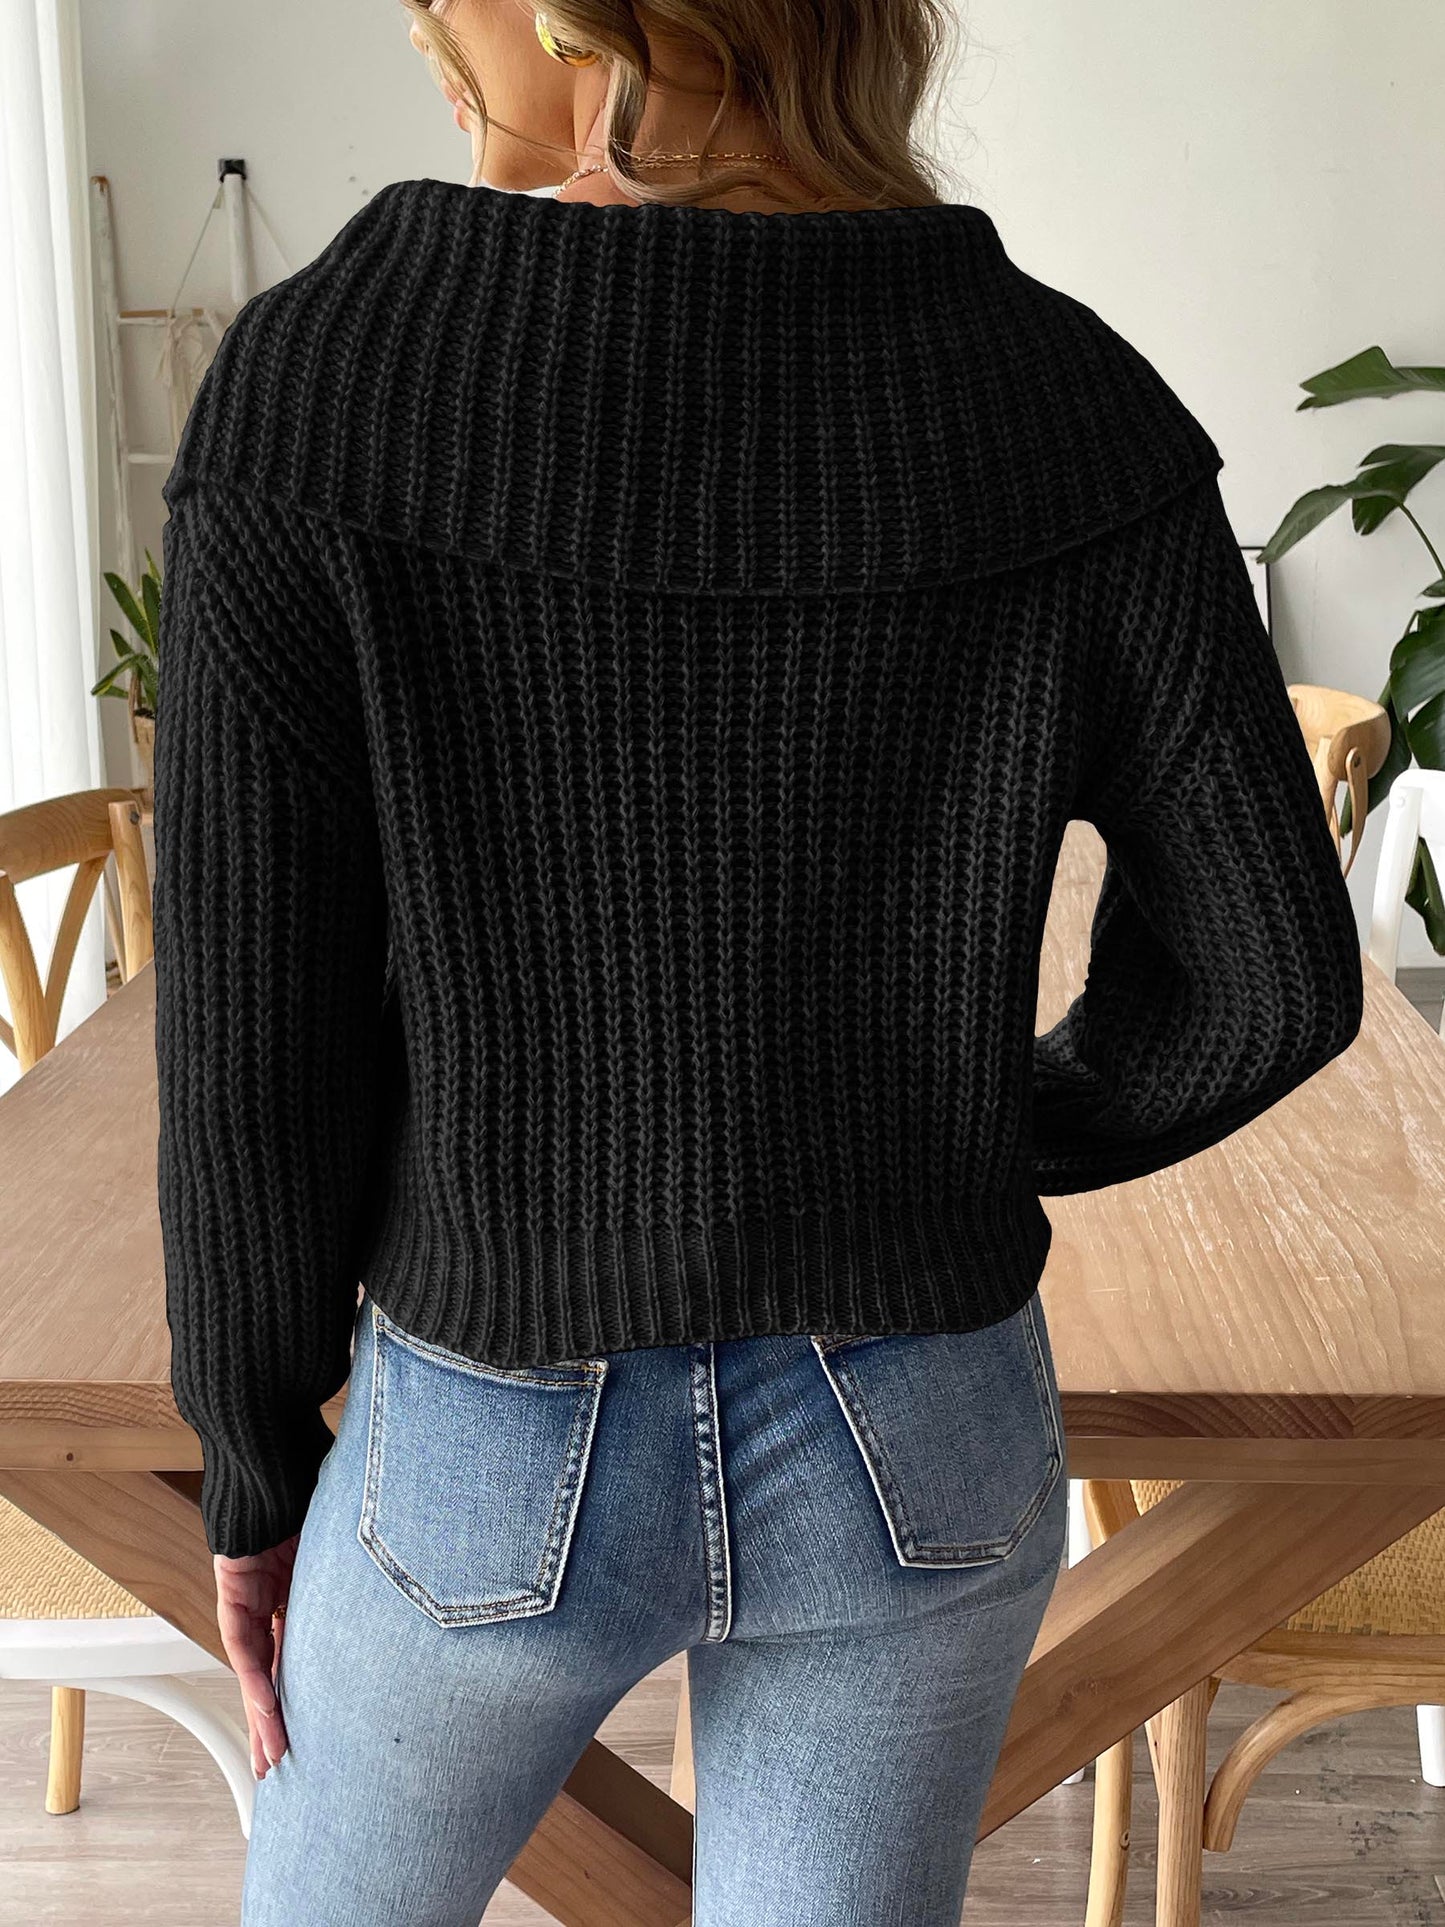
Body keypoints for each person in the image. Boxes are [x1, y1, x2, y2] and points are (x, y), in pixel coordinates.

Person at [148, 4, 1364, 1923]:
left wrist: (247, 1458)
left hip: (493, 1425)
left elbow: (249, 1048)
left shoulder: (323, 383)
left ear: (571, 21)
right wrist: (963, 1123)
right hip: (922, 1415)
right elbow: (1270, 976)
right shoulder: (1061, 394)